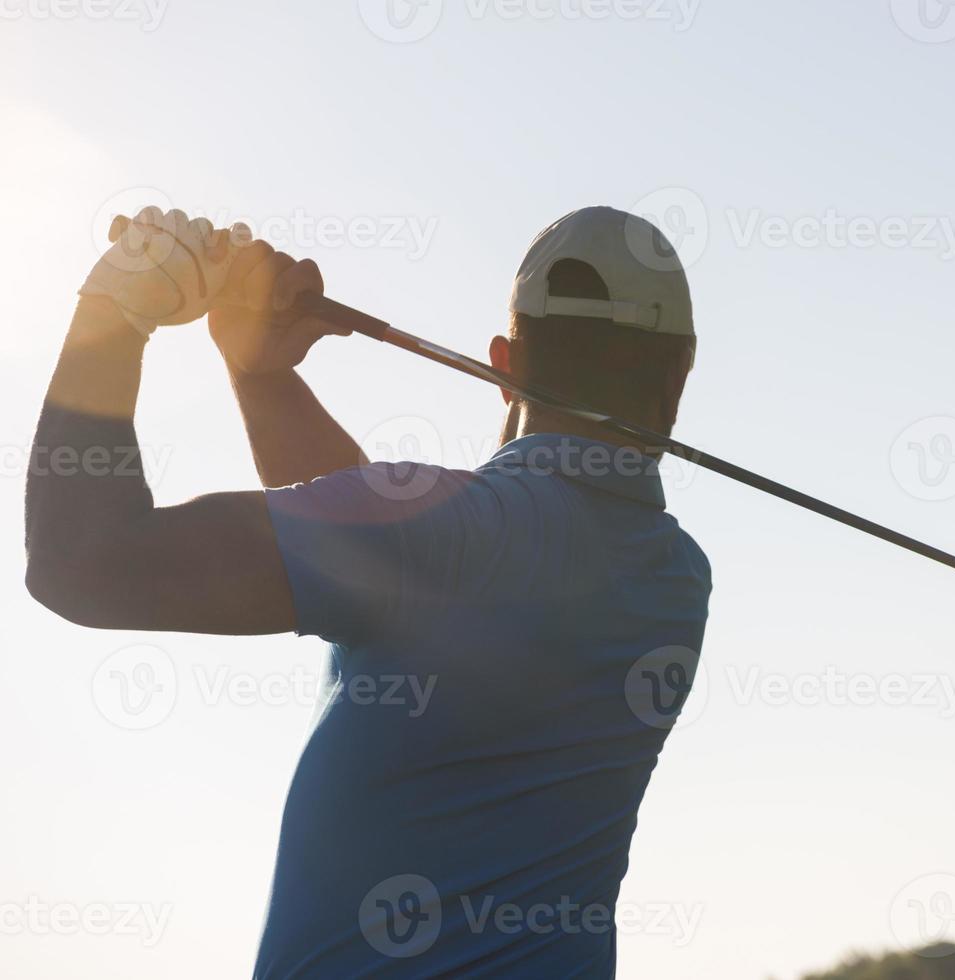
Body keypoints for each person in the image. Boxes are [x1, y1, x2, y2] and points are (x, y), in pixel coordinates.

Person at [24, 205, 711, 977]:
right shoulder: (677, 577)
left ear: (501, 364)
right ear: (683, 370)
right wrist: (263, 376)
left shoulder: (449, 540)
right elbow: (412, 563)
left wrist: (115, 308)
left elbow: (80, 563)